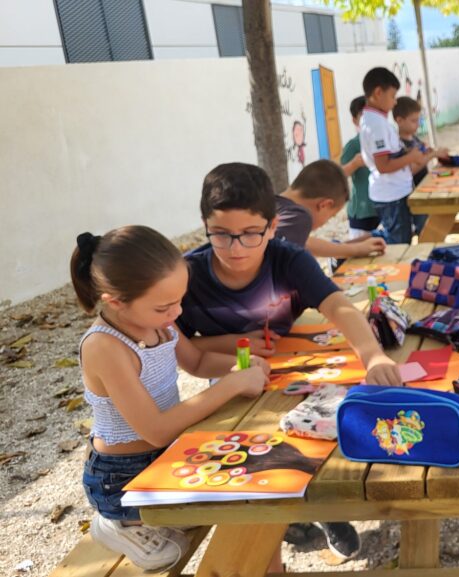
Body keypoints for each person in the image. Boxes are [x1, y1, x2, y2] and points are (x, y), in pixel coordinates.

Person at [177, 162, 405, 558]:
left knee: (320, 446)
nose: (236, 248)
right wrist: (232, 346)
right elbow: (183, 351)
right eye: (221, 234)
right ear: (204, 226)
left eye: (250, 233)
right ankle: (276, 539)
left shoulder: (289, 259)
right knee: (254, 475)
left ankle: (324, 510)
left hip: (298, 370)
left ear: (272, 226)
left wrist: (373, 356)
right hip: (228, 380)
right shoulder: (185, 276)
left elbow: (339, 307)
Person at [71, 226, 268, 571]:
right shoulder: (104, 346)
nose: (177, 313)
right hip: (121, 479)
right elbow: (156, 430)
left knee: (240, 494)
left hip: (167, 455)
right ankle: (115, 522)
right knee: (170, 553)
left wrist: (241, 364)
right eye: (165, 306)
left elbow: (198, 361)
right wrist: (232, 385)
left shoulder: (159, 322)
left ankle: (158, 517)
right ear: (115, 302)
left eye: (180, 300)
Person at [358, 67, 427, 244]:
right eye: (392, 96)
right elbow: (383, 166)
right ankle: (346, 249)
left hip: (395, 191)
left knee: (397, 237)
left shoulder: (376, 120)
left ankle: (347, 247)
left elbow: (391, 156)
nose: (395, 102)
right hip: (391, 195)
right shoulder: (376, 124)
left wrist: (408, 153)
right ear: (378, 93)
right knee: (398, 243)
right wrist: (411, 157)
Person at [275, 159, 386, 258]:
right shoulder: (299, 217)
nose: (326, 223)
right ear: (324, 205)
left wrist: (356, 249)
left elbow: (306, 244)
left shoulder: (275, 206)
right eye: (331, 216)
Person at [392, 96, 448, 236]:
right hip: (413, 193)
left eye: (419, 120)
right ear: (399, 120)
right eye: (414, 121)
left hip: (423, 189)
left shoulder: (414, 138)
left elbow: (422, 155)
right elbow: (410, 170)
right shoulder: (399, 144)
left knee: (430, 223)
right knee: (424, 229)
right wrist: (432, 155)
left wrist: (429, 152)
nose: (418, 124)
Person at [341, 96, 381, 240]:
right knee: (360, 247)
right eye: (364, 115)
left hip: (383, 205)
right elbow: (339, 176)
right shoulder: (353, 145)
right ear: (355, 120)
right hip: (363, 210)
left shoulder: (383, 140)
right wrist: (354, 164)